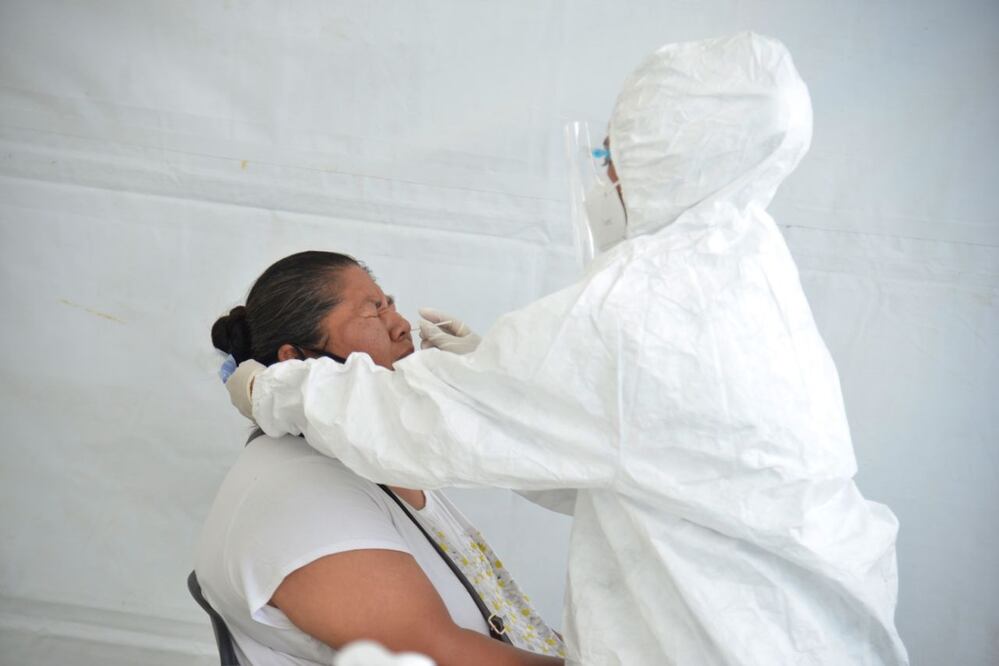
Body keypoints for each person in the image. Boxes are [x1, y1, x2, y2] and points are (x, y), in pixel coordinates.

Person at [226, 33, 909, 665]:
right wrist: (477, 376)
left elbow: (429, 425)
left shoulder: (635, 304)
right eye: (372, 309)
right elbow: (612, 451)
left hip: (727, 635)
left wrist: (278, 391)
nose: (604, 174)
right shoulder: (745, 263)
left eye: (615, 154)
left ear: (664, 158)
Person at [196, 251, 565, 666]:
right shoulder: (299, 497)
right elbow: (445, 657)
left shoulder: (376, 462)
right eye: (373, 312)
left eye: (390, 303)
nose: (402, 325)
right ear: (295, 362)